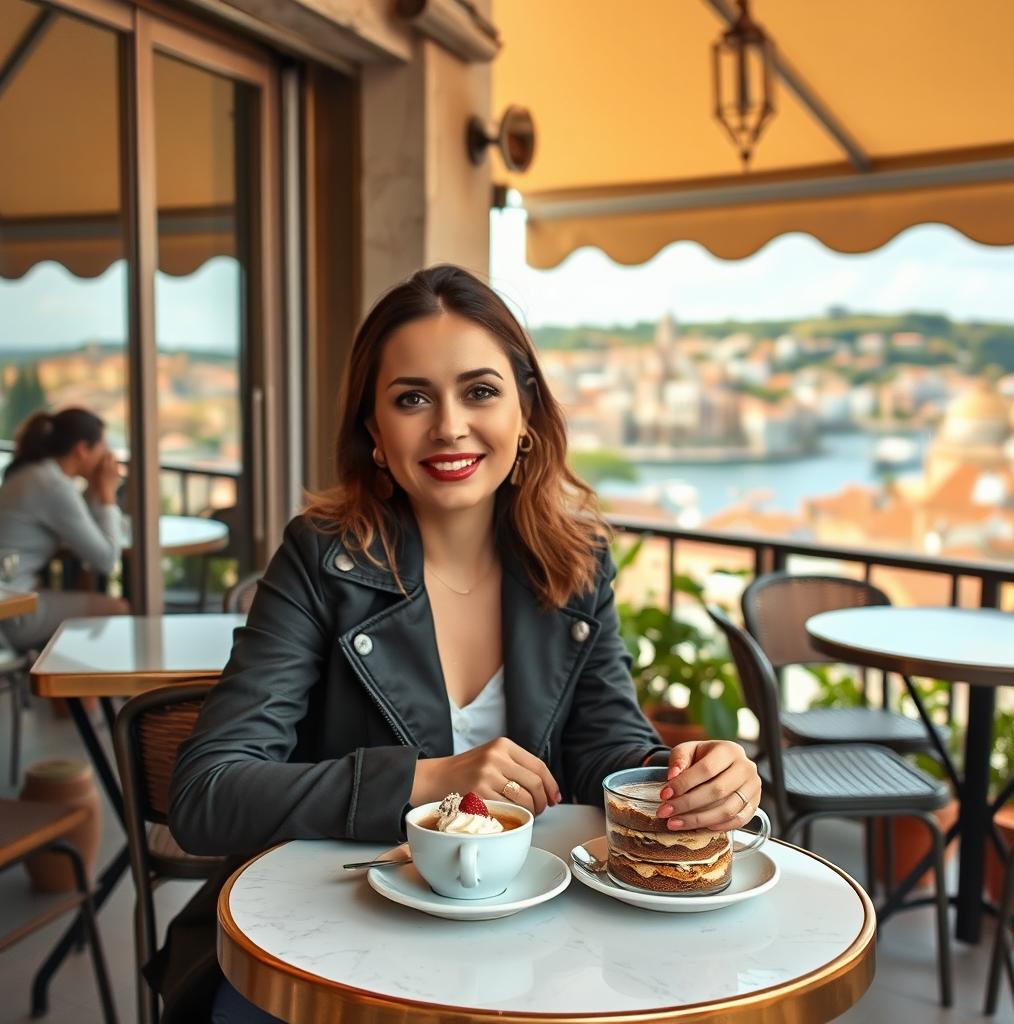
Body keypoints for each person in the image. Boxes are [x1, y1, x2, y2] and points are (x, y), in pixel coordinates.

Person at [165, 265, 762, 1023]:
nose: (448, 425)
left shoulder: (577, 565)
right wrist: (426, 781)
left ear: (525, 415)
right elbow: (207, 794)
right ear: (374, 433)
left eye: (479, 391)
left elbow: (608, 749)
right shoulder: (322, 559)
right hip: (331, 952)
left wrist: (688, 782)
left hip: (529, 946)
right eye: (412, 398)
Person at [0, 407, 128, 650]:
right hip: (12, 611)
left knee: (85, 585)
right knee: (118, 608)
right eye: (103, 446)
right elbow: (107, 560)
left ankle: (76, 685)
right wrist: (107, 494)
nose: (108, 454)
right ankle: (82, 685)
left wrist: (95, 489)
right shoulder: (54, 486)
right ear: (82, 449)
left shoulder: (32, 473)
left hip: (9, 597)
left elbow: (86, 531)